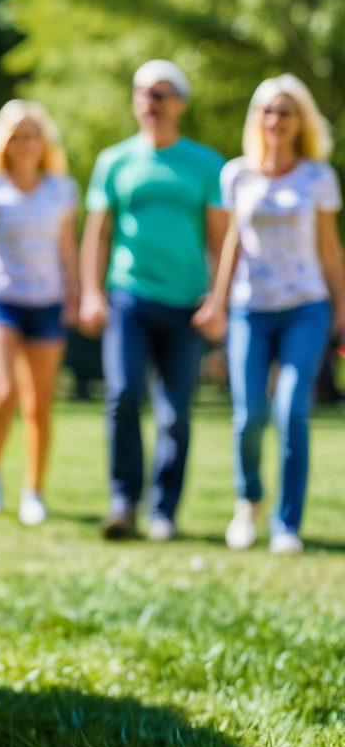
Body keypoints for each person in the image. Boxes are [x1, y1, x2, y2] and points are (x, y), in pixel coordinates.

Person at [195, 75, 345, 554]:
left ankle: (287, 524)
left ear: (300, 120)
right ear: (257, 119)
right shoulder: (237, 174)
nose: (275, 119)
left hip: (305, 305)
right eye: (267, 110)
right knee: (249, 414)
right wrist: (216, 301)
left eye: (284, 111)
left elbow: (328, 247)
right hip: (249, 309)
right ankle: (249, 502)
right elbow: (233, 242)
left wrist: (343, 305)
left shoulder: (318, 176)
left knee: (291, 410)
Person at [80, 60, 226, 541]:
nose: (151, 102)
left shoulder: (207, 164)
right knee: (122, 396)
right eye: (143, 93)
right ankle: (124, 502)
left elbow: (221, 240)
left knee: (175, 413)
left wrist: (218, 299)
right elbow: (97, 235)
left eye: (162, 94)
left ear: (180, 103)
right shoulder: (114, 161)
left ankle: (164, 510)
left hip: (188, 303)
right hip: (129, 298)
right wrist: (90, 293)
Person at [0, 100, 79, 524]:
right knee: (3, 390)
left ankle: (34, 491)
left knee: (39, 403)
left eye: (32, 136)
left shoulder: (62, 190)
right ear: (4, 143)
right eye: (17, 137)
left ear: (44, 143)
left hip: (46, 302)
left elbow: (67, 250)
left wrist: (76, 295)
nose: (25, 144)